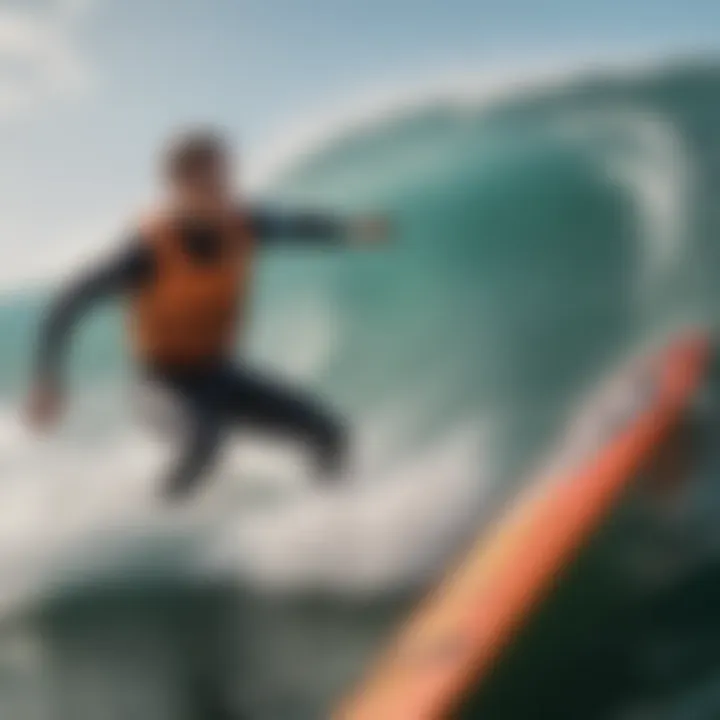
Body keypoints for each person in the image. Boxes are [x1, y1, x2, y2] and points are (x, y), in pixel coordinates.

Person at [25, 128, 389, 499]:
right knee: (207, 440)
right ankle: (157, 513)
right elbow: (68, 301)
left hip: (219, 373)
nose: (222, 190)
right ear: (178, 186)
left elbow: (297, 227)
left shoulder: (244, 226)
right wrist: (47, 378)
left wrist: (349, 230)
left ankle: (332, 510)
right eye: (210, 181)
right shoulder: (146, 251)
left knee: (329, 433)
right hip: (161, 386)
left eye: (225, 178)